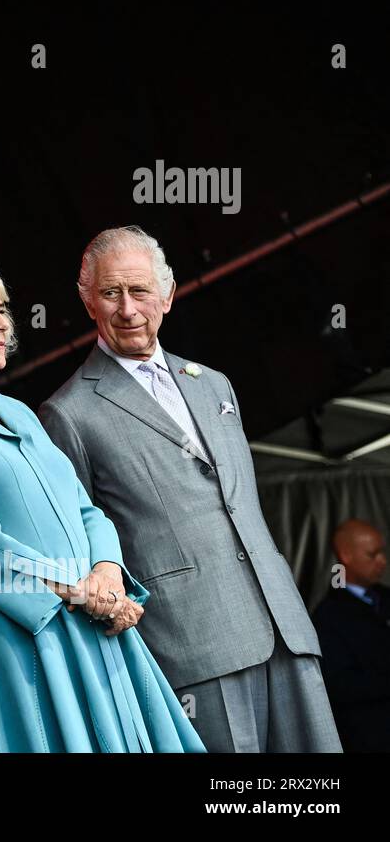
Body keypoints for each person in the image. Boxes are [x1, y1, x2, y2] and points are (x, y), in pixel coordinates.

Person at [39, 225, 341, 752]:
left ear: (168, 294)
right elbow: (75, 544)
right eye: (111, 293)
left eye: (139, 291)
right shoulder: (68, 414)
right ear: (88, 303)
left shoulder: (215, 383)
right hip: (193, 650)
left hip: (284, 627)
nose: (128, 308)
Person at [0, 257, 204, 752]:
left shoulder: (16, 410)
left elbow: (87, 510)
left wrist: (106, 574)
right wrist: (79, 591)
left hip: (92, 616)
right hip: (26, 635)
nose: (2, 324)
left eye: (2, 309)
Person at [310, 518, 390, 752]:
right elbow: (339, 686)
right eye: (372, 554)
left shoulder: (385, 598)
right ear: (346, 556)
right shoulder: (328, 617)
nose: (382, 561)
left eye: (382, 552)